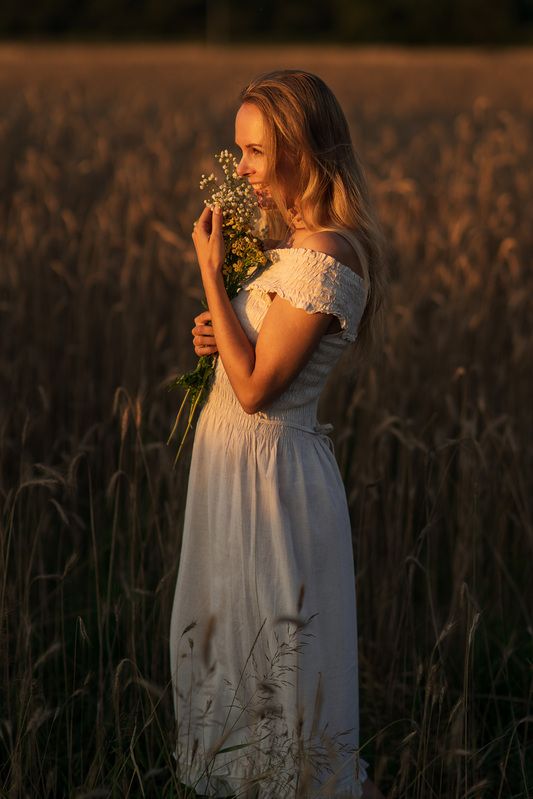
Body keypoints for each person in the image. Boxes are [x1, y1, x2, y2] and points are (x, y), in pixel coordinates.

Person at [170, 70, 388, 799]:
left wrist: (211, 275)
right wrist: (221, 331)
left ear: (302, 150)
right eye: (238, 151)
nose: (241, 170)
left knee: (280, 680)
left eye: (255, 152)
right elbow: (252, 359)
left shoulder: (328, 254)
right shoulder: (292, 248)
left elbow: (258, 389)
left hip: (272, 487)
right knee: (234, 662)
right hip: (235, 474)